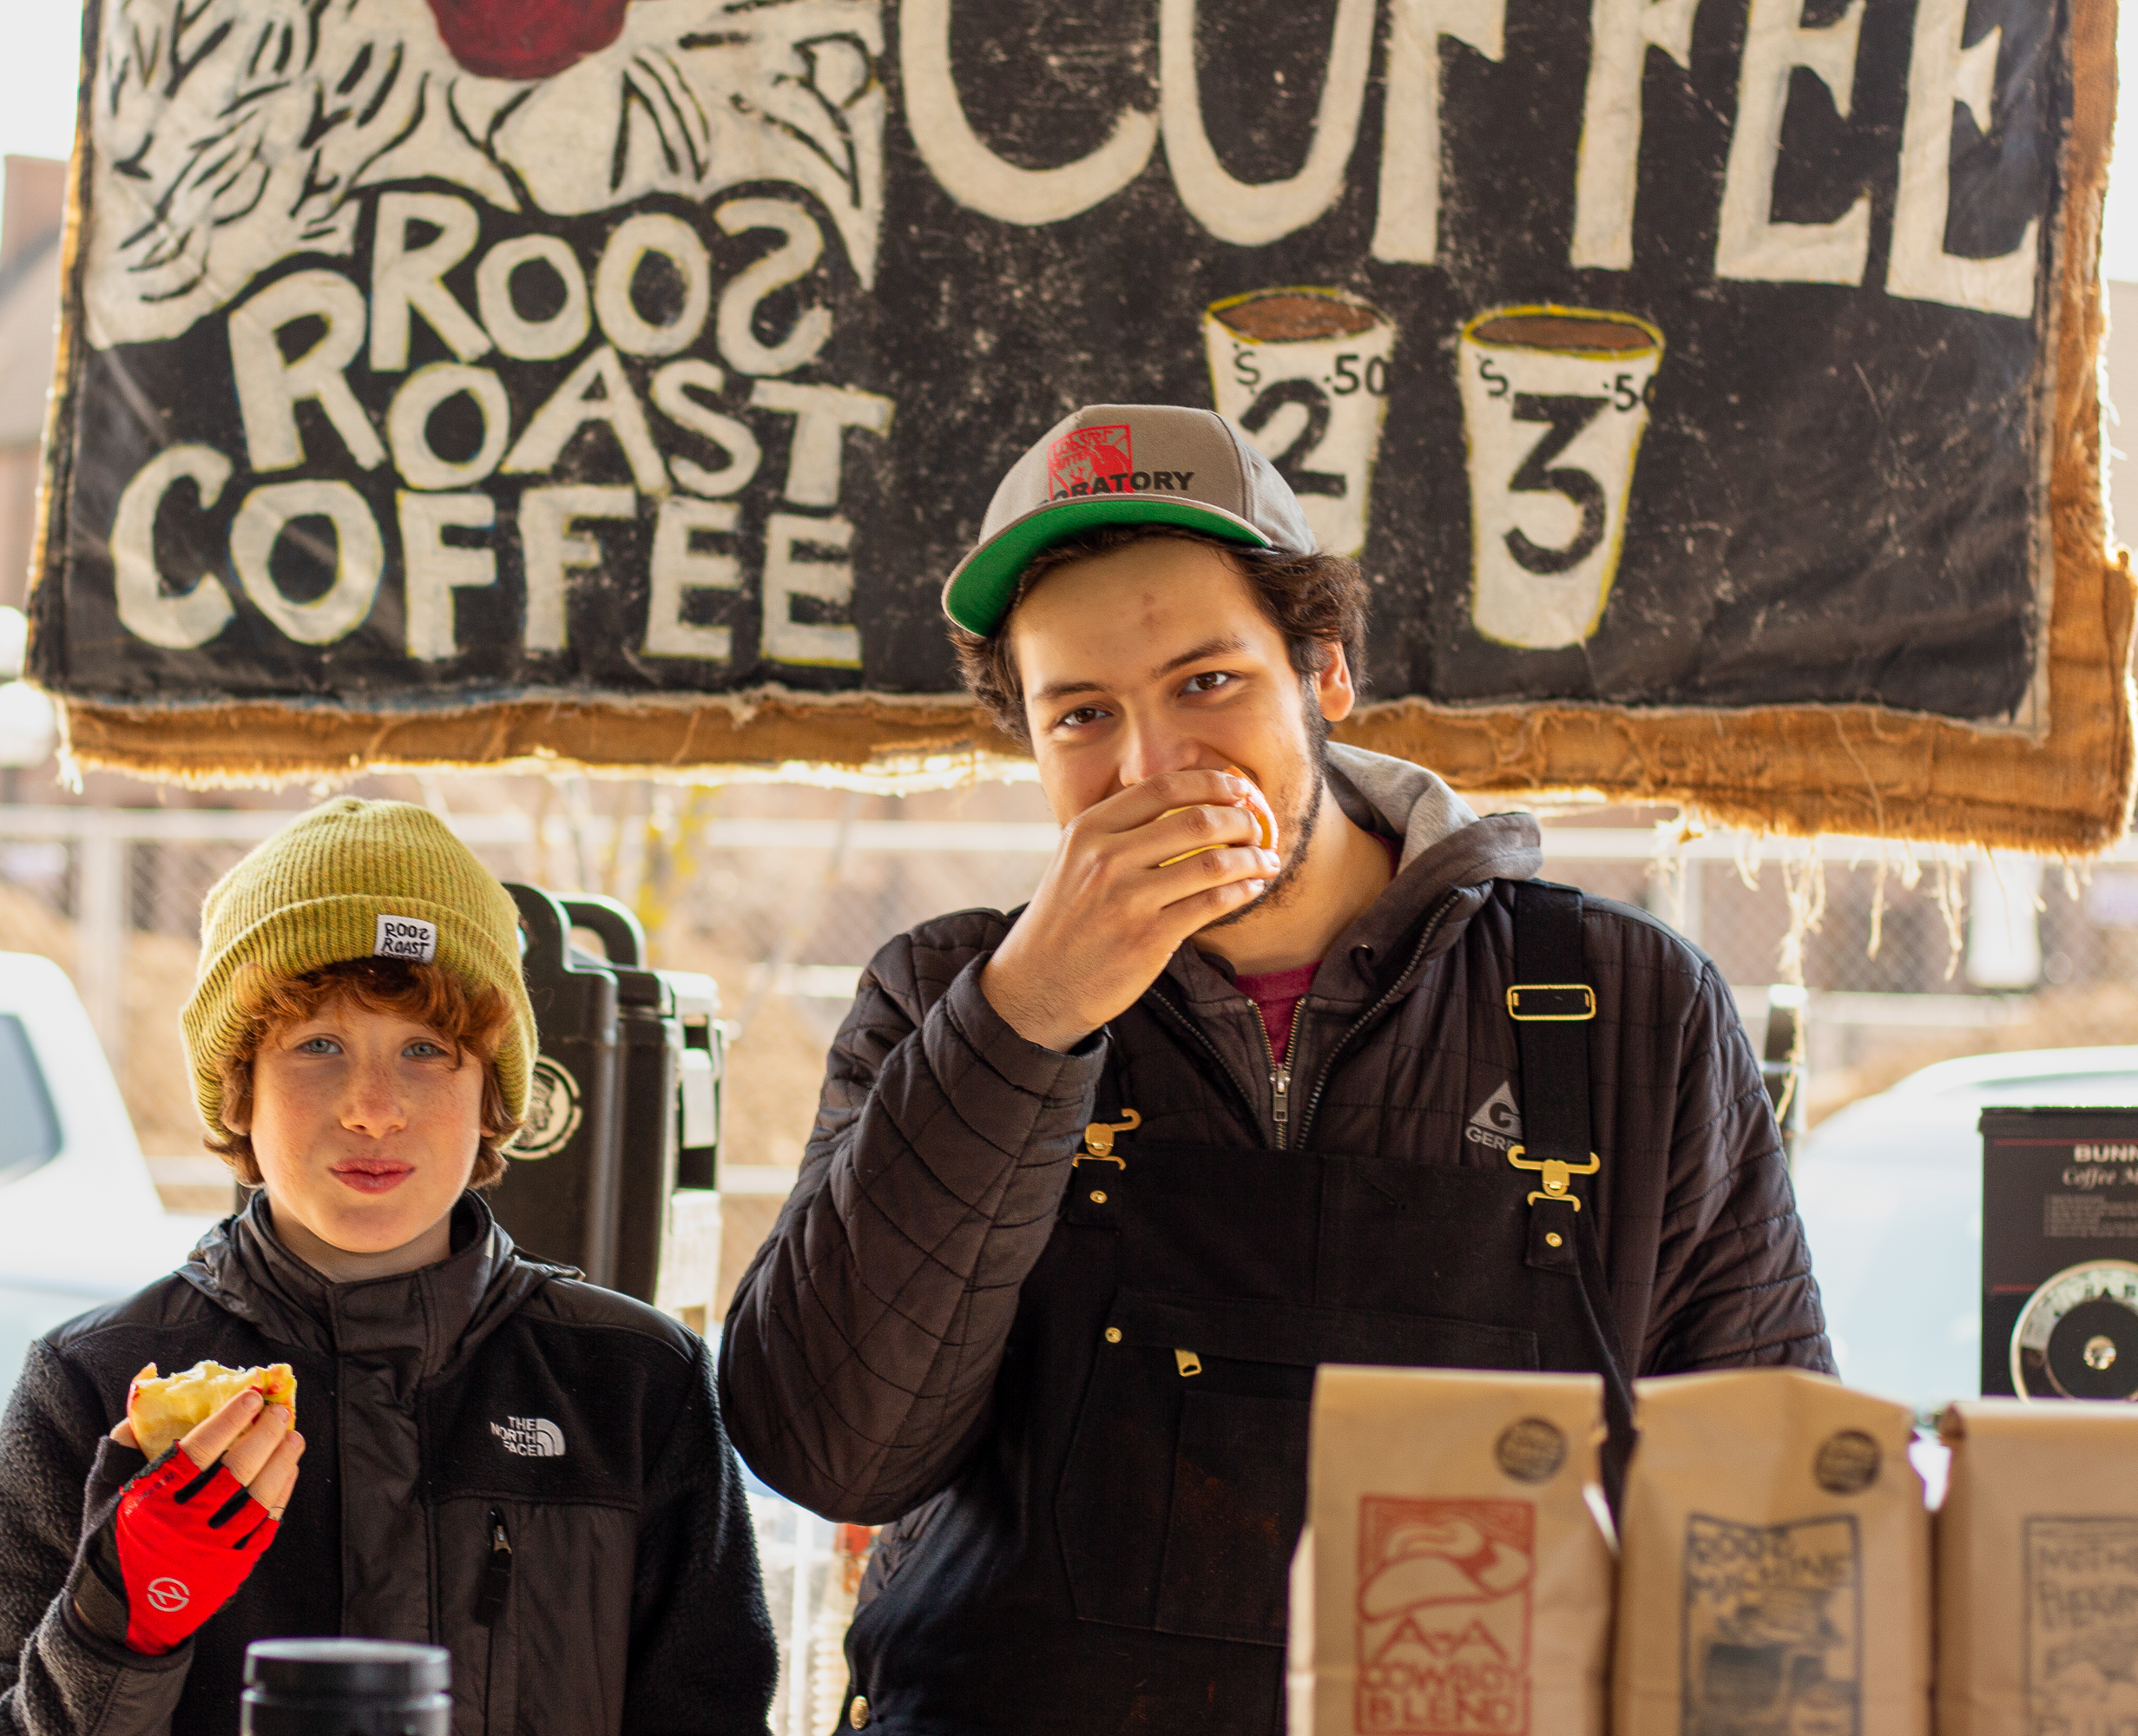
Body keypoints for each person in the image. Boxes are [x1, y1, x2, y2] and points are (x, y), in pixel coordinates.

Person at [720, 404, 1832, 1733]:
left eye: (1209, 683)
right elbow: (829, 1448)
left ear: (1325, 670)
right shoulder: (941, 998)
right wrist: (1032, 1015)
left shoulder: (1623, 1007)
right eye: (1082, 716)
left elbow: (1769, 1506)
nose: (1156, 766)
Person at [0, 798, 776, 1735]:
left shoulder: (632, 1382)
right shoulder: (97, 1383)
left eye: (425, 1049)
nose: (373, 1108)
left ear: (495, 1095)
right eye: (318, 1045)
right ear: (239, 1085)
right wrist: (121, 1616)